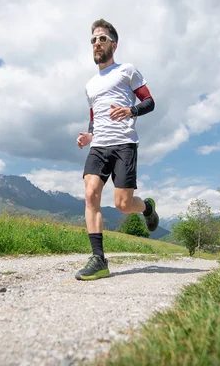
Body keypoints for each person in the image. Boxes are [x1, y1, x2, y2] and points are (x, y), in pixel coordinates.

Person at [75, 19, 159, 281]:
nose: (97, 44)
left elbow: (149, 102)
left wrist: (131, 110)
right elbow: (94, 116)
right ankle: (99, 259)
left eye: (102, 39)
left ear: (114, 44)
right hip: (99, 146)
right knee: (91, 195)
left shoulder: (127, 71)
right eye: (93, 40)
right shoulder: (90, 84)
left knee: (123, 205)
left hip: (124, 143)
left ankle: (146, 208)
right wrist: (90, 134)